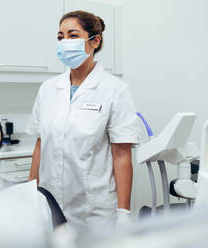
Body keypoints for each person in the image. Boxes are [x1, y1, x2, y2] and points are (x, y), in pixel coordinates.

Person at [26, 10, 140, 228]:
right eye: (60, 37)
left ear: (94, 41)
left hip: (94, 209)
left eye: (73, 35)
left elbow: (121, 155)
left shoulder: (115, 90)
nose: (65, 42)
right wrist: (30, 195)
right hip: (50, 203)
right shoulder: (48, 89)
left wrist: (123, 212)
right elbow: (41, 146)